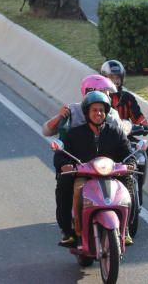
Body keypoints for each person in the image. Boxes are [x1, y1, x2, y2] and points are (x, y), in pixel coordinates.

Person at [55, 91, 133, 247]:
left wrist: (131, 163)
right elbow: (61, 154)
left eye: (102, 110)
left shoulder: (116, 132)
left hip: (112, 175)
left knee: (129, 184)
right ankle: (70, 232)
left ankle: (126, 229)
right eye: (95, 110)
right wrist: (65, 164)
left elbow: (128, 153)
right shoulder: (74, 134)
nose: (99, 113)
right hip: (84, 176)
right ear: (87, 113)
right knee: (69, 187)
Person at [100, 59, 148, 126]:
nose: (115, 81)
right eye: (111, 78)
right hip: (103, 133)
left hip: (124, 133)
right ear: (104, 79)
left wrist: (144, 125)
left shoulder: (127, 97)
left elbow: (137, 116)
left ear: (121, 79)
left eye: (117, 78)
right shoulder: (99, 97)